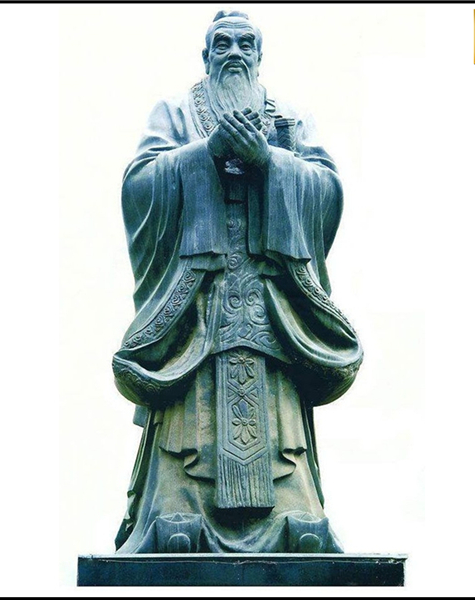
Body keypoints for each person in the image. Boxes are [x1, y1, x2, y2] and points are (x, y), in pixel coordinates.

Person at [112, 10, 363, 554]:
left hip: (271, 302)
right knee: (190, 411)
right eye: (221, 43)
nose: (233, 52)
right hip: (196, 302)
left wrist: (270, 161)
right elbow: (139, 186)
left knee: (279, 423)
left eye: (245, 43)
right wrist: (207, 154)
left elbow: (327, 191)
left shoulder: (289, 118)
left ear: (259, 55)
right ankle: (176, 506)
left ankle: (294, 511)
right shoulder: (176, 113)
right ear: (205, 56)